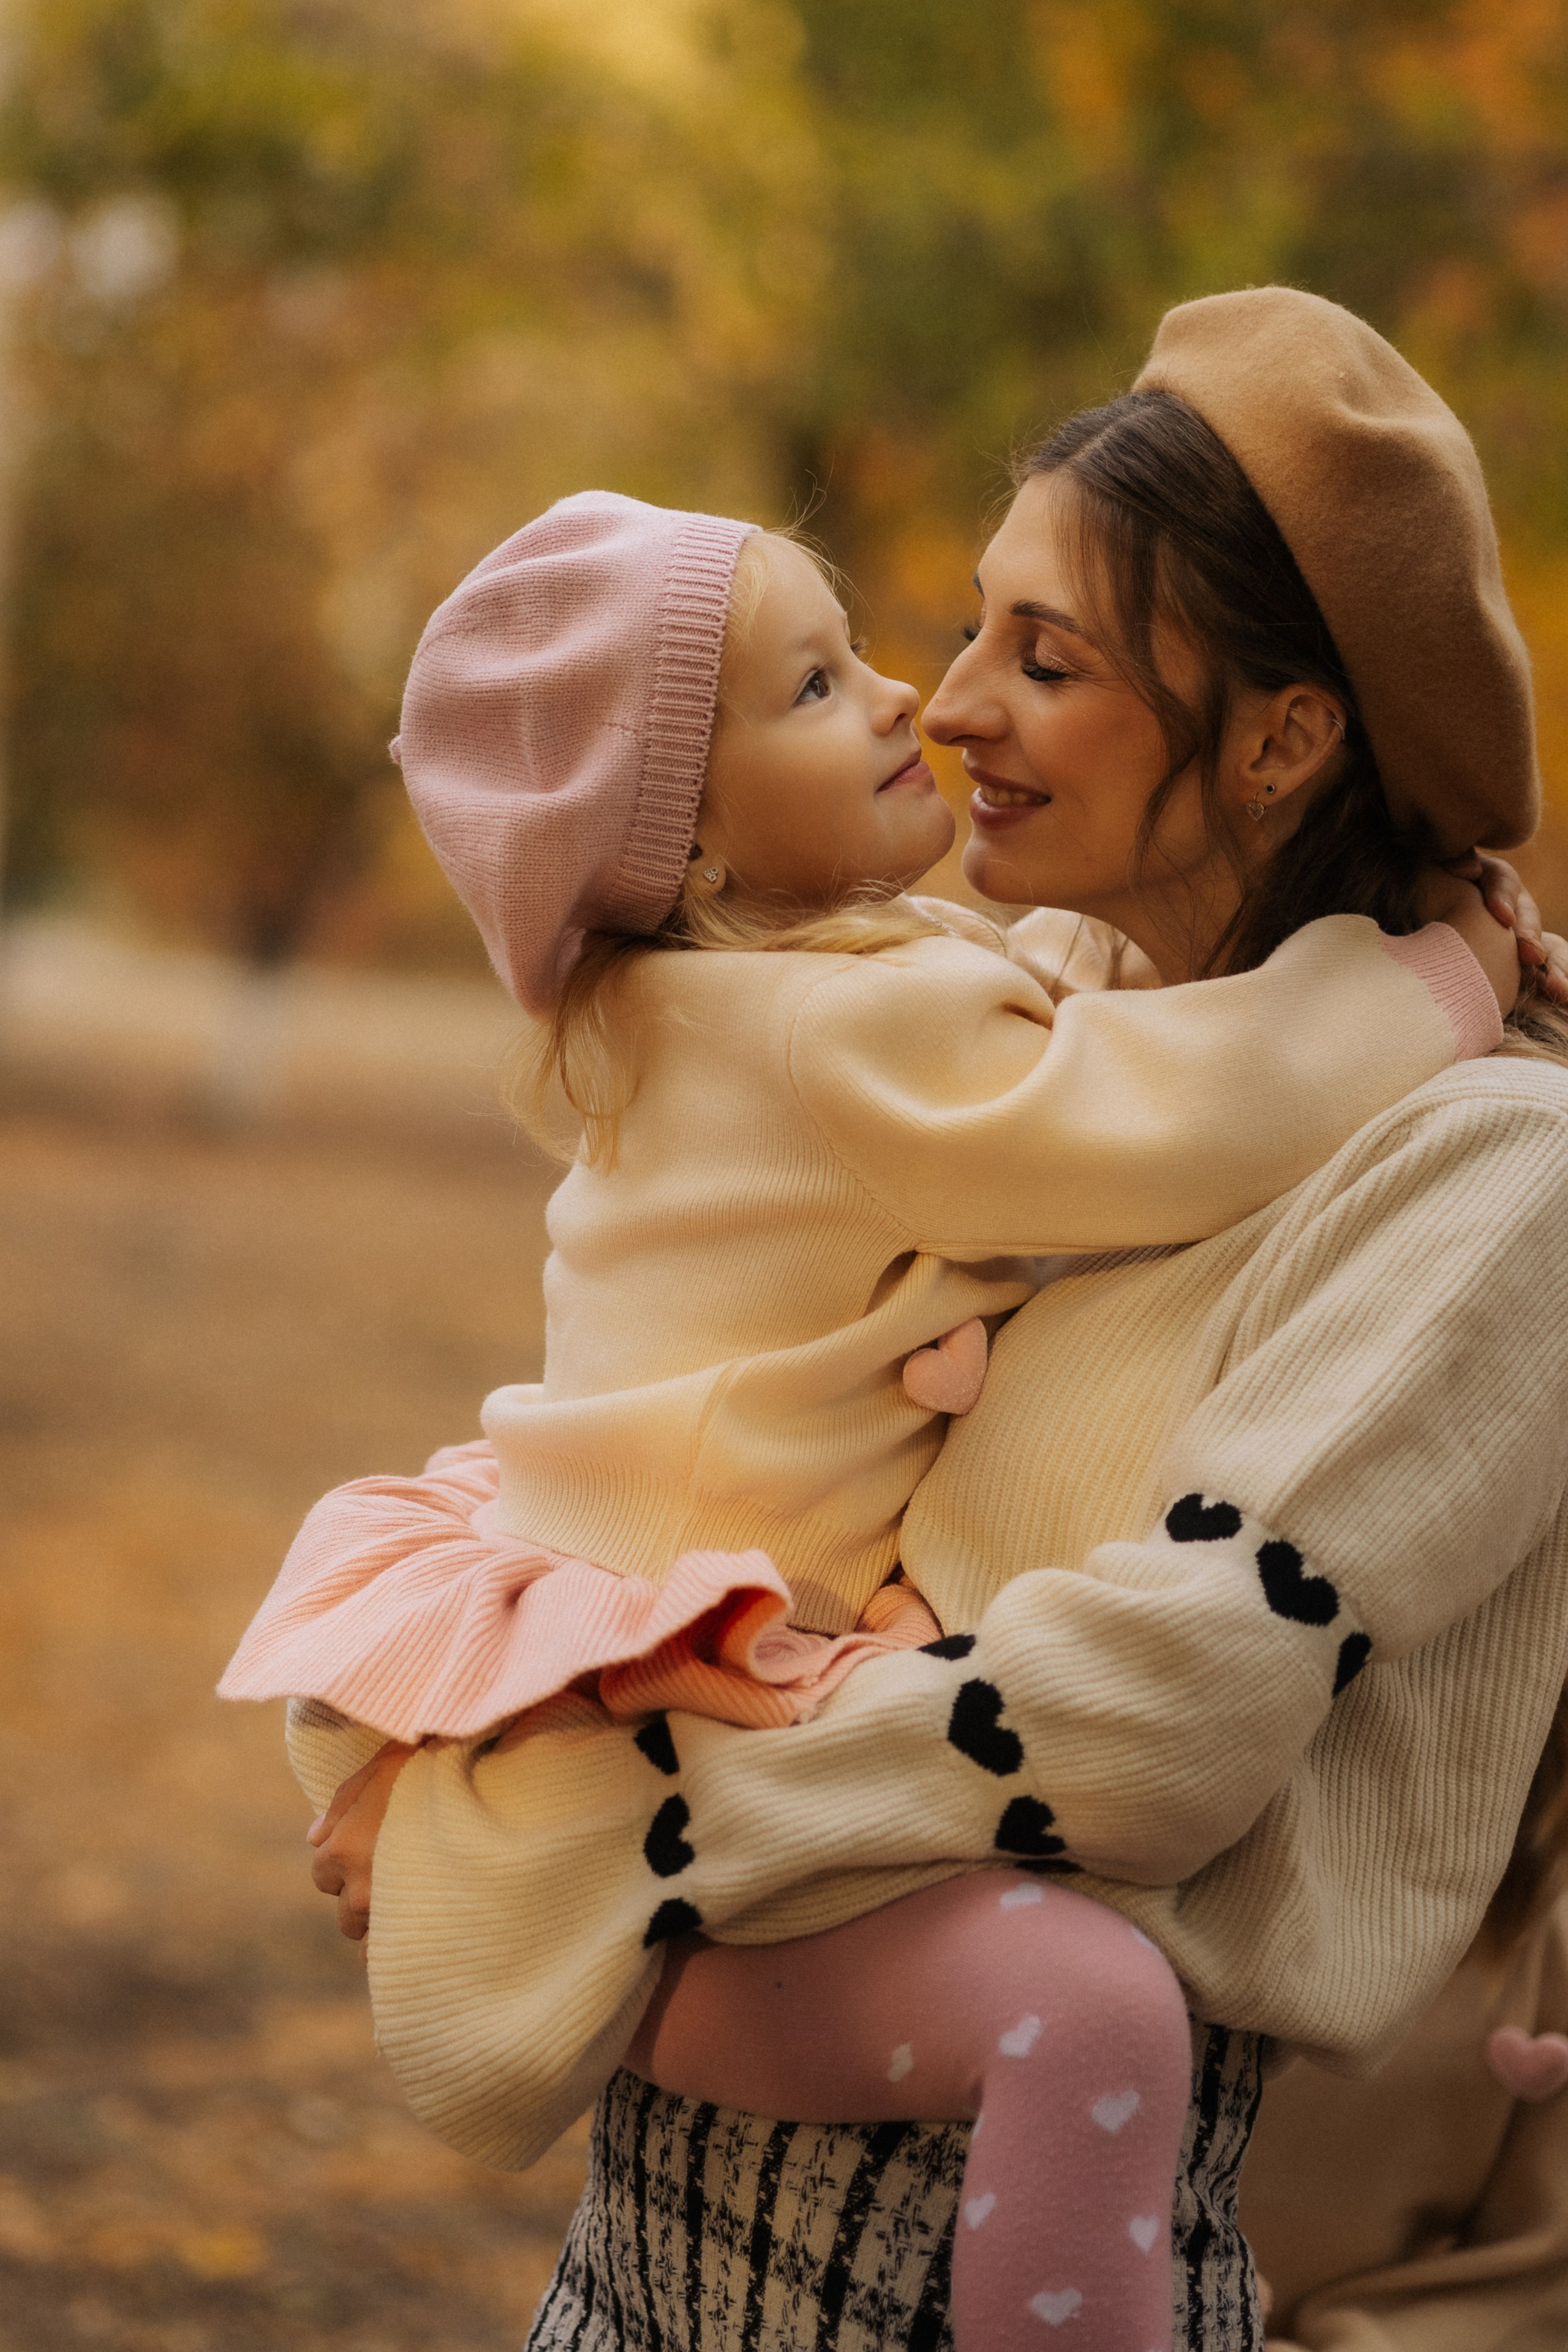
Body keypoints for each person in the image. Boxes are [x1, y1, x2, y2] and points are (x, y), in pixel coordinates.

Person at [295, 289, 1568, 2352]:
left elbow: (1167, 1708)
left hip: (963, 2247)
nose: (949, 702)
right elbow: (690, 1390)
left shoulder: (1488, 1166)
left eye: (1044, 658)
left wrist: (555, 1826)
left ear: (1280, 739)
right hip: (645, 2267)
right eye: (969, 626)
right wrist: (490, 1699)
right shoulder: (1037, 996)